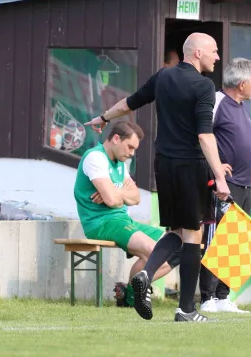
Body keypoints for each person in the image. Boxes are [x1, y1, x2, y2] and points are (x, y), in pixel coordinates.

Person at [85, 32, 229, 322]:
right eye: (213, 51)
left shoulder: (163, 77)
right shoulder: (204, 86)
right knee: (193, 235)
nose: (217, 56)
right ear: (198, 53)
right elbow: (204, 134)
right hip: (191, 166)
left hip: (164, 165)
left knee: (176, 231)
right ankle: (186, 309)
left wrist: (103, 118)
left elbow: (130, 102)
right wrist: (219, 176)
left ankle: (146, 275)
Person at [74, 121, 178, 308]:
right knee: (155, 252)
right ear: (115, 138)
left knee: (176, 248)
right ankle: (131, 295)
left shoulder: (121, 163)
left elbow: (136, 197)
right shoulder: (95, 158)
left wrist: (114, 191)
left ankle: (128, 295)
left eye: (134, 149)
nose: (132, 153)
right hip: (102, 222)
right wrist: (118, 194)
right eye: (130, 147)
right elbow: (113, 201)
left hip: (123, 220)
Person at [199, 58, 251, 314]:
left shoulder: (241, 106)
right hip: (225, 185)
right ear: (242, 83)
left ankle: (223, 297)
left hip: (245, 184)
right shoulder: (217, 101)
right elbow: (199, 135)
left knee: (237, 241)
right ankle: (207, 298)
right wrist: (216, 169)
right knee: (218, 240)